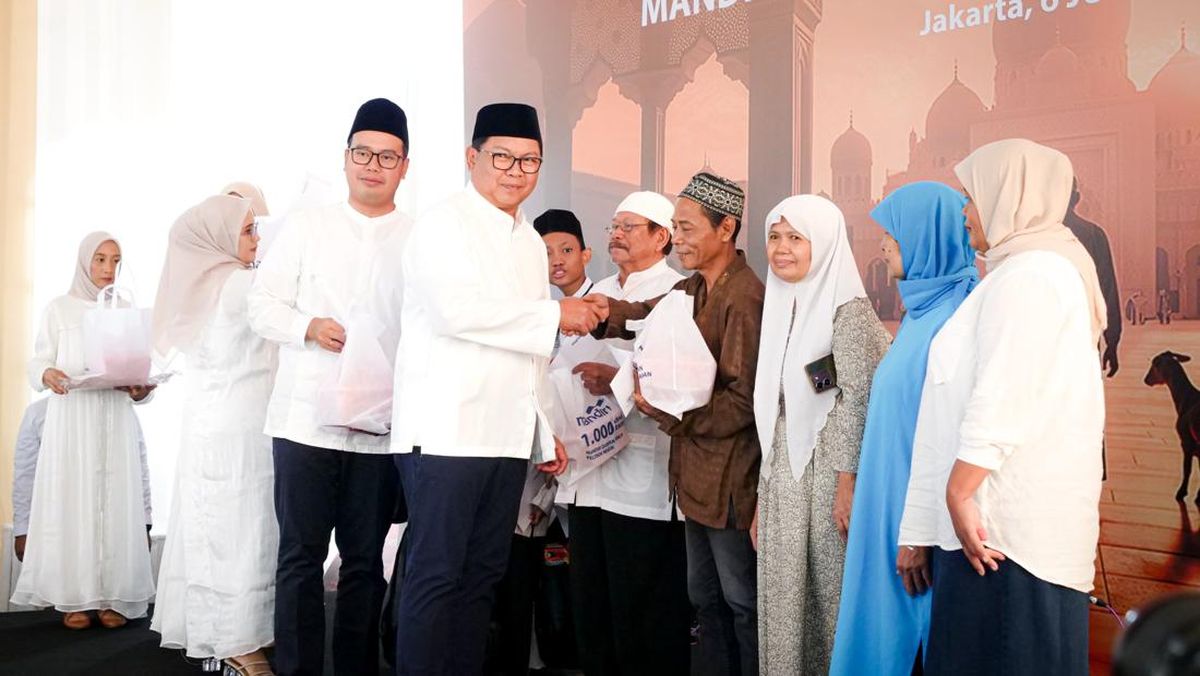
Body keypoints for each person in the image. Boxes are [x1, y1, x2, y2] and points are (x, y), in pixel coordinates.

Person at [899, 139, 1107, 676]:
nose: (965, 212)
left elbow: (1003, 396)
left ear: (1008, 197)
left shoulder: (1032, 276)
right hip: (991, 533)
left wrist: (957, 491)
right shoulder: (1019, 273)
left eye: (971, 197)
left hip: (1004, 539)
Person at [390, 102, 579, 675]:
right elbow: (456, 312)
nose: (515, 171)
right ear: (472, 158)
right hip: (446, 432)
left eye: (529, 160)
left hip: (505, 437)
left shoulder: (529, 241)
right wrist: (556, 315)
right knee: (435, 577)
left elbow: (531, 351)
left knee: (481, 580)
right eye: (502, 157)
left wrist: (544, 429)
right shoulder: (442, 224)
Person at [247, 97, 412, 676]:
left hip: (379, 430)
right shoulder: (306, 228)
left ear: (405, 167)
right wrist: (308, 327)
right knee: (299, 559)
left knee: (365, 564)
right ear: (345, 159)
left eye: (387, 156)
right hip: (304, 426)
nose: (373, 165)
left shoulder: (418, 238)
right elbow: (260, 306)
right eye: (363, 153)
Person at [587, 172, 763, 676]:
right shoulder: (693, 288)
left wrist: (671, 417)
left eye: (686, 229)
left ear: (725, 229)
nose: (677, 239)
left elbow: (742, 401)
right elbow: (644, 314)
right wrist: (598, 312)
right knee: (703, 598)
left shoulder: (744, 297)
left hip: (730, 482)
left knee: (740, 602)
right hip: (693, 479)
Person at [829, 182, 977, 676]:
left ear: (926, 236)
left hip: (916, 520)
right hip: (890, 505)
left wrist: (919, 534)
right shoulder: (922, 313)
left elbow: (950, 440)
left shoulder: (955, 320)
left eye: (894, 233)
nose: (884, 244)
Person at [752, 195, 890, 675]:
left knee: (826, 601)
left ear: (825, 243)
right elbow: (794, 394)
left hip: (828, 477)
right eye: (774, 236)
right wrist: (763, 496)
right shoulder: (782, 304)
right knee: (784, 599)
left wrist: (847, 484)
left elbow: (855, 400)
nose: (781, 249)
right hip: (783, 475)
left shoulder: (848, 312)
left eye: (796, 238)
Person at [560, 191, 692, 675]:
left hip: (642, 479)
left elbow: (681, 378)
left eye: (629, 227)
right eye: (613, 226)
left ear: (662, 238)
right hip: (588, 474)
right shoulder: (595, 290)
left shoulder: (677, 293)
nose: (616, 234)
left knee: (642, 609)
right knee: (592, 605)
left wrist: (615, 377)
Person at [150, 194, 279, 675]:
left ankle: (216, 633)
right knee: (243, 536)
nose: (257, 240)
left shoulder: (197, 285)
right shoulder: (241, 284)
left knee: (215, 532)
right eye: (247, 231)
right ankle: (239, 641)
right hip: (242, 428)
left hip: (207, 427)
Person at [12, 232, 156, 630]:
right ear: (84, 262)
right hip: (73, 421)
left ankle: (112, 597)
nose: (108, 269)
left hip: (113, 420)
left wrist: (141, 389)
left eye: (115, 260)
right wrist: (47, 373)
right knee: (74, 500)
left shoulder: (124, 310)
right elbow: (38, 360)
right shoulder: (59, 309)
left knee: (114, 500)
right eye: (100, 259)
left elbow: (140, 371)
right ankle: (75, 598)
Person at [12, 397, 152, 563]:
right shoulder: (38, 413)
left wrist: (144, 525)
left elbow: (139, 470)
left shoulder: (120, 410)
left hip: (110, 528)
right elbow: (25, 476)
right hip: (55, 525)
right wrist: (22, 530)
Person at [1063, 179, 1121, 375]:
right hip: (1085, 333)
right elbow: (1107, 290)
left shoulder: (1035, 238)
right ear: (1076, 198)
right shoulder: (1094, 235)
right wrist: (1112, 340)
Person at [537, 208, 593, 299]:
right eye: (547, 254)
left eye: (567, 250)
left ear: (585, 256)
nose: (557, 261)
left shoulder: (605, 302)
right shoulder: (557, 305)